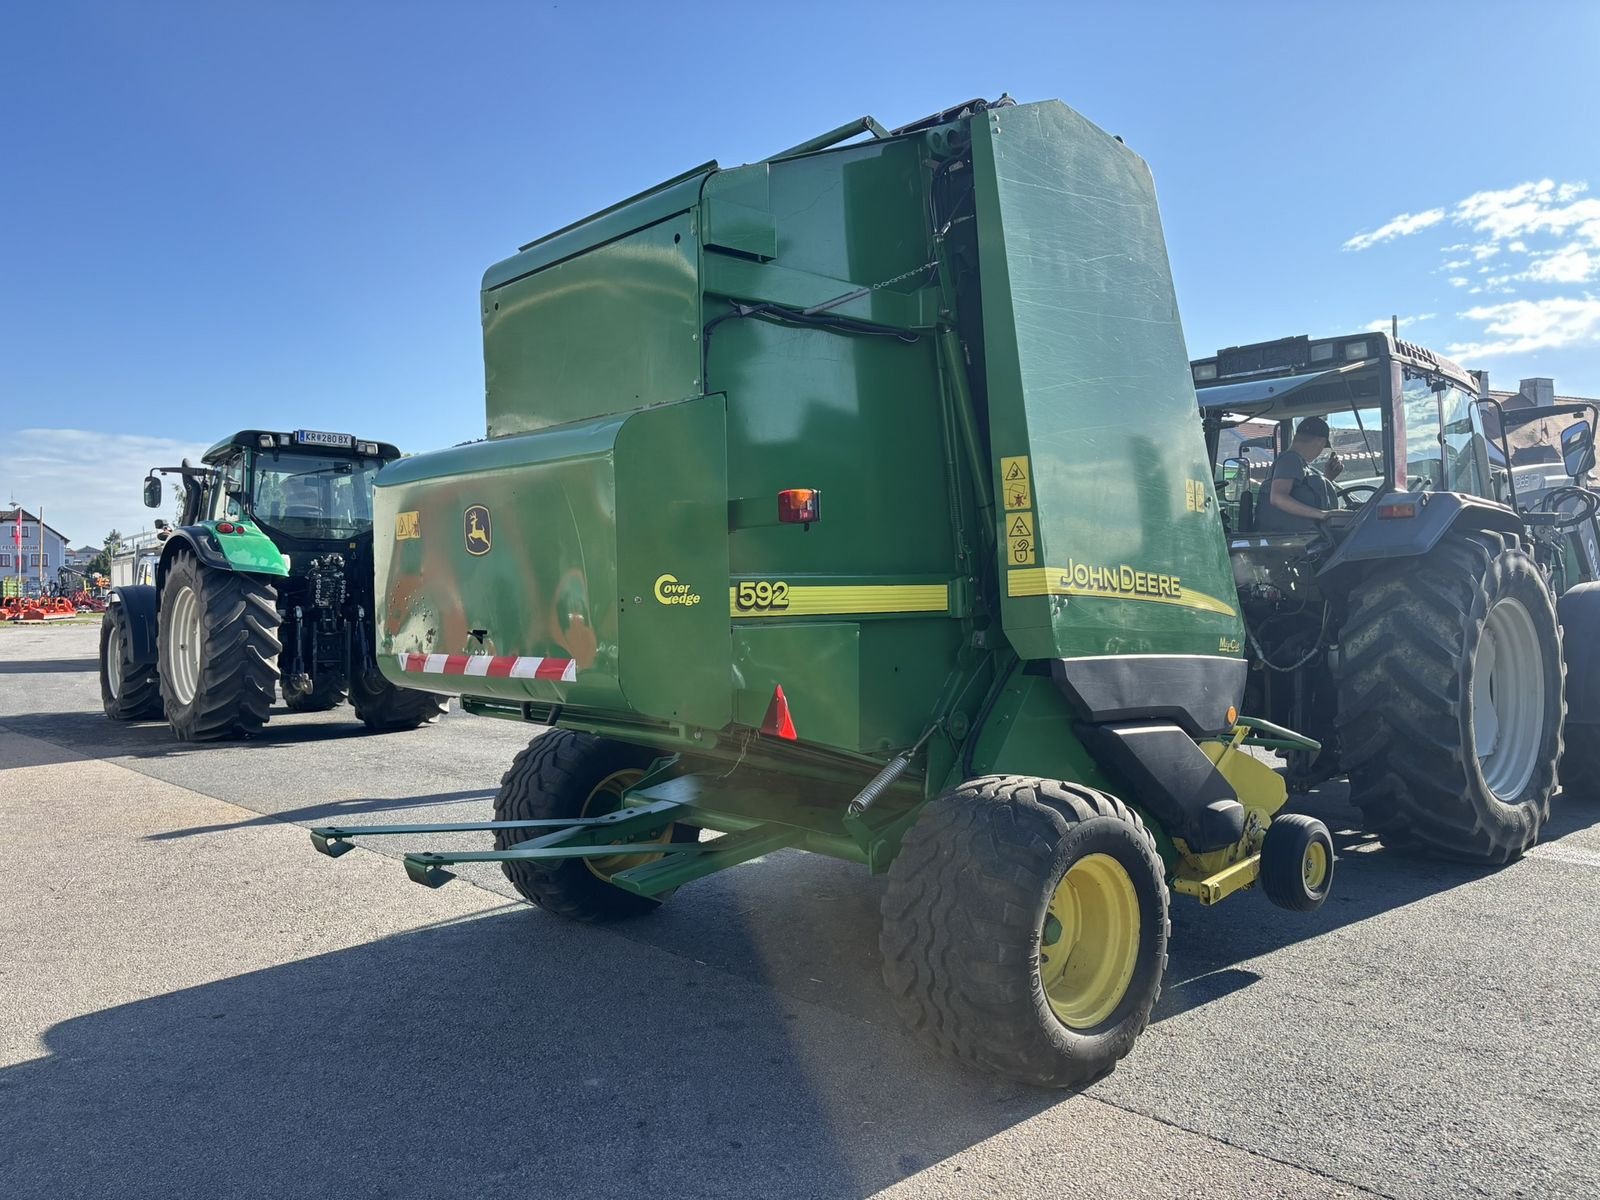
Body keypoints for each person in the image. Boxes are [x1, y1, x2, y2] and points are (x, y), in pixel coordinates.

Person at [1257, 415, 1344, 532]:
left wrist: (1328, 478)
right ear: (1320, 442)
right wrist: (1323, 514)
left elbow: (1302, 494)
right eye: (1323, 447)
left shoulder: (1297, 463)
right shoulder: (1291, 459)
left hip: (1294, 535)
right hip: (1291, 536)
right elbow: (1277, 497)